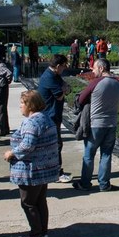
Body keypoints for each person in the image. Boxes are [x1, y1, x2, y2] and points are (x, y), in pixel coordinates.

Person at [3, 90, 60, 237]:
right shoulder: (45, 118)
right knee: (40, 201)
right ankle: (43, 233)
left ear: (30, 105)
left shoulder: (31, 122)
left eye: (22, 103)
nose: (20, 106)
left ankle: (37, 236)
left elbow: (28, 145)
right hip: (43, 169)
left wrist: (11, 153)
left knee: (28, 203)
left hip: (31, 170)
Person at [72, 58, 119, 192]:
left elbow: (81, 99)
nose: (92, 71)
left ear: (101, 68)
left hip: (95, 124)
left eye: (94, 68)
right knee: (106, 154)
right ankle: (104, 184)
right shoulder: (118, 83)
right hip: (111, 124)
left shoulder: (96, 83)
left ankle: (85, 183)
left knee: (89, 155)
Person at [37, 54, 71, 182]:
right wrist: (64, 90)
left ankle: (51, 170)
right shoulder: (49, 77)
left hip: (54, 114)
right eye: (64, 66)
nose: (65, 68)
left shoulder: (55, 75)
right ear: (57, 66)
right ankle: (56, 172)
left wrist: (65, 89)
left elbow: (67, 88)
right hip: (49, 116)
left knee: (54, 144)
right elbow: (60, 95)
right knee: (56, 144)